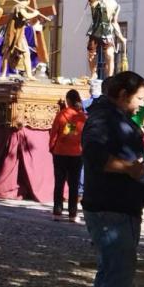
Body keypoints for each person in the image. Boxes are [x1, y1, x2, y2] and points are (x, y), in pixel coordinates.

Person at [81, 71, 144, 287]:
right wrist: (129, 169)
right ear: (123, 95)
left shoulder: (115, 117)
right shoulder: (102, 118)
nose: (141, 105)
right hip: (111, 210)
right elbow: (94, 155)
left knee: (109, 271)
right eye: (139, 98)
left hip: (118, 209)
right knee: (117, 275)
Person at [49, 89, 86, 222]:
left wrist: (52, 147)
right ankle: (73, 214)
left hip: (60, 152)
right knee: (74, 184)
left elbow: (54, 133)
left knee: (59, 183)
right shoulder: (83, 117)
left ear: (68, 100)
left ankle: (57, 212)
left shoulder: (61, 115)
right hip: (76, 153)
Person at [87, 0, 127, 81]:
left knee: (109, 55)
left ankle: (109, 78)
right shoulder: (96, 0)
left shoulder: (115, 5)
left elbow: (114, 22)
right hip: (95, 30)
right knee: (92, 55)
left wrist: (121, 37)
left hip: (107, 32)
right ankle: (94, 74)